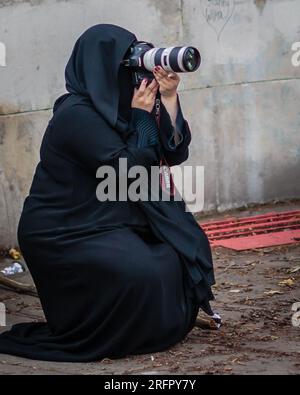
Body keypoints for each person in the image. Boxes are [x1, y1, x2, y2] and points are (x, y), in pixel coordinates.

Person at [0, 24, 217, 362]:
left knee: (175, 254)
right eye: (125, 65)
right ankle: (110, 333)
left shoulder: (123, 107)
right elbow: (129, 169)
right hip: (65, 230)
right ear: (100, 68)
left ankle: (149, 332)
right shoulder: (75, 116)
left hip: (110, 220)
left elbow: (173, 152)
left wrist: (170, 98)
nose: (132, 73)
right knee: (139, 270)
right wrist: (143, 118)